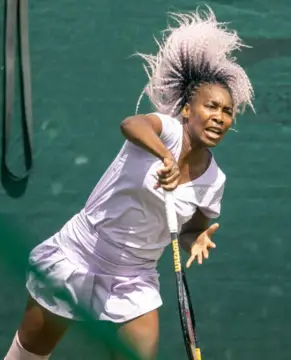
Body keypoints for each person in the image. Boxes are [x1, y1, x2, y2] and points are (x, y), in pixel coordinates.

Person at [3, 6, 254, 360]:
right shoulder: (164, 130)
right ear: (186, 110)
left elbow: (192, 224)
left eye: (227, 112)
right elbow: (131, 124)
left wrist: (195, 235)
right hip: (79, 255)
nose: (219, 117)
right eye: (211, 106)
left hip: (134, 280)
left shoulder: (214, 180)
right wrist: (164, 157)